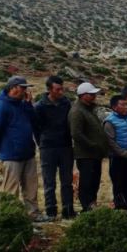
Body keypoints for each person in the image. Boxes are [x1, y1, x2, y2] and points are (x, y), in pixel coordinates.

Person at [0, 76, 47, 221]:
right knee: (11, 189)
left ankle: (33, 214)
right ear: (13, 88)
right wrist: (2, 148)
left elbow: (35, 121)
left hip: (28, 153)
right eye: (23, 87)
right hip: (11, 155)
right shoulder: (1, 106)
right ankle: (10, 216)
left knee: (31, 187)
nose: (25, 90)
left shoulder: (23, 104)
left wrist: (29, 105)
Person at [34, 75, 74, 220]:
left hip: (65, 146)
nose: (61, 92)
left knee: (67, 181)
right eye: (57, 89)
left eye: (62, 89)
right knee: (49, 181)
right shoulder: (39, 106)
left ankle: (68, 210)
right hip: (48, 148)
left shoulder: (66, 103)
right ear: (49, 90)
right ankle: (51, 210)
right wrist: (43, 143)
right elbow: (36, 128)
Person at [69, 82, 110, 213]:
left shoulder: (89, 109)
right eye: (91, 94)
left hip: (94, 154)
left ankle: (91, 204)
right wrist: (92, 145)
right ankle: (86, 206)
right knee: (87, 182)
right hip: (86, 154)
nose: (94, 96)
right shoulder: (77, 111)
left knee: (94, 180)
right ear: (84, 95)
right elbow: (76, 133)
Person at [104, 95, 127, 213]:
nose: (126, 107)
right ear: (115, 107)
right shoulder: (109, 121)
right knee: (118, 183)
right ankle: (120, 208)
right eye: (123, 105)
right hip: (117, 157)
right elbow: (110, 142)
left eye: (126, 104)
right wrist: (123, 153)